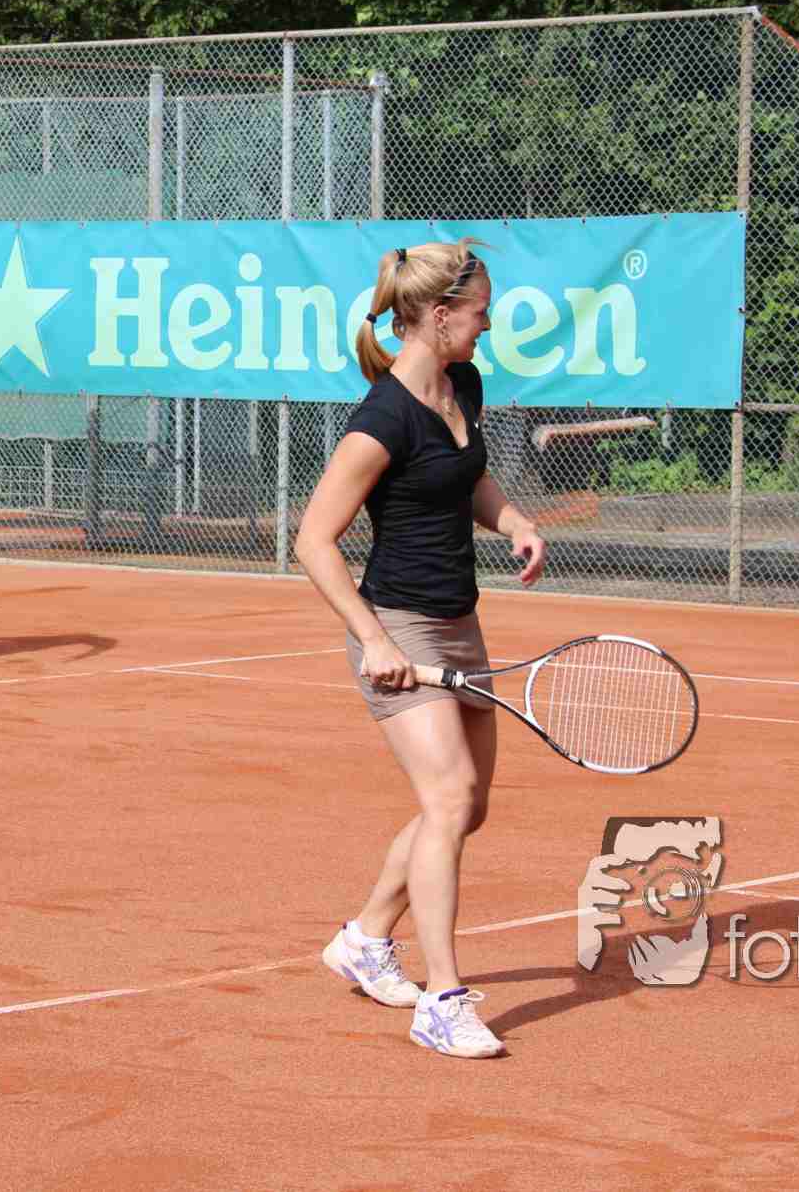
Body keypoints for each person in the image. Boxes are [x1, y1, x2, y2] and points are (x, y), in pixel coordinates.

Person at [292, 239, 549, 1060]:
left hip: (460, 623)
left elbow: (467, 478)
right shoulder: (383, 419)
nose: (487, 326)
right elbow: (313, 539)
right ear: (439, 316)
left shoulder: (463, 384)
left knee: (469, 806)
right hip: (397, 625)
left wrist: (513, 520)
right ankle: (442, 998)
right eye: (480, 313)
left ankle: (366, 938)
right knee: (448, 798)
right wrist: (372, 638)